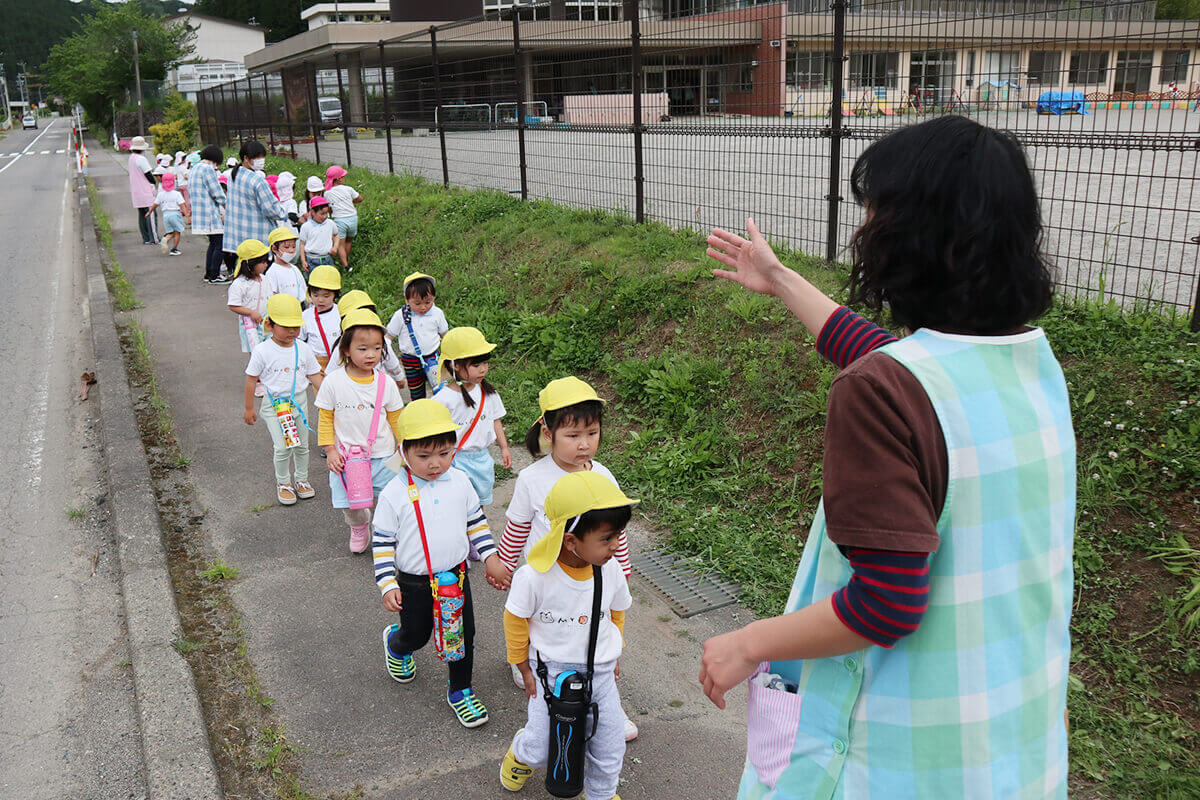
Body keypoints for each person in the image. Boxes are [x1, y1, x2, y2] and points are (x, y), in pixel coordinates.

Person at [698, 116, 1071, 800]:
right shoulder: (1030, 364)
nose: (864, 231)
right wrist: (779, 279)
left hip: (897, 761)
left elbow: (887, 603)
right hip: (1010, 749)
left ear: (913, 236)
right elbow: (904, 366)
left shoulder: (880, 393)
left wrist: (750, 643)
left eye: (874, 214)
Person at [499, 471, 636, 800]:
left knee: (609, 741)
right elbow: (515, 619)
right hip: (551, 672)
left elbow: (617, 612)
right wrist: (521, 664)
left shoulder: (611, 569)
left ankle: (601, 793)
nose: (616, 546)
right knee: (542, 744)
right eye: (606, 539)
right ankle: (521, 754)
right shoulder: (534, 577)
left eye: (618, 535)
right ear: (570, 539)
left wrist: (613, 651)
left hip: (600, 672)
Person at [371, 399, 506, 729]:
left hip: (457, 578)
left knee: (463, 634)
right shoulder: (394, 493)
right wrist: (388, 583)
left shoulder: (460, 481)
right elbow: (383, 542)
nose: (436, 464)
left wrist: (490, 557)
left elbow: (476, 521)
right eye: (424, 456)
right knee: (418, 635)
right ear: (403, 452)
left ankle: (460, 690)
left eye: (444, 453)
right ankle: (397, 642)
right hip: (415, 583)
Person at [314, 308, 405, 553]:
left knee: (390, 499)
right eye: (362, 349)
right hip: (347, 458)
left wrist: (404, 445)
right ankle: (358, 527)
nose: (371, 355)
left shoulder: (385, 382)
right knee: (351, 505)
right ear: (346, 350)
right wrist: (330, 450)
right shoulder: (333, 382)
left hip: (385, 455)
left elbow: (396, 417)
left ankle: (385, 534)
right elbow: (325, 418)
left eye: (377, 348)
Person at [243, 294, 324, 506]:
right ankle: (283, 483)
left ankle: (301, 479)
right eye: (286, 326)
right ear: (269, 324)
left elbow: (315, 376)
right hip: (274, 405)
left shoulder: (303, 349)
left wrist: (330, 398)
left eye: (296, 327)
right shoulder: (262, 351)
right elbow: (251, 380)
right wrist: (249, 408)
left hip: (299, 402)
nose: (292, 331)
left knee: (302, 445)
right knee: (282, 447)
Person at [431, 327, 512, 507]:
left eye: (485, 363)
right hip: (455, 460)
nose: (483, 370)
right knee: (458, 503)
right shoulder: (443, 400)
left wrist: (504, 448)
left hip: (482, 458)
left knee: (479, 503)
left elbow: (496, 420)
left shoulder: (488, 393)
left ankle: (476, 532)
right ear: (455, 365)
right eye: (476, 365)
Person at [222, 140, 285, 271]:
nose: (261, 160)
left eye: (262, 156)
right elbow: (271, 209)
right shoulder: (257, 180)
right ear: (246, 158)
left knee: (245, 274)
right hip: (258, 234)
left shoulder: (235, 174)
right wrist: (284, 214)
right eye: (257, 157)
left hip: (239, 234)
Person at [327, 291, 407, 391]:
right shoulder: (343, 345)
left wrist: (399, 377)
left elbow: (391, 361)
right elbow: (330, 374)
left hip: (380, 389)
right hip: (353, 391)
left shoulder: (380, 340)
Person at [386, 272, 448, 400]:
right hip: (410, 361)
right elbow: (389, 336)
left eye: (428, 302)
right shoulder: (401, 316)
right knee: (416, 393)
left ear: (434, 298)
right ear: (406, 299)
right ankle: (420, 413)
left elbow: (445, 336)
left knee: (441, 391)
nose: (423, 307)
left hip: (432, 359)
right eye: (417, 303)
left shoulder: (437, 314)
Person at [189, 145, 229, 285]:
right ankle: (214, 275)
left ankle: (209, 273)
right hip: (209, 212)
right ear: (216, 160)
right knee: (219, 243)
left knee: (213, 243)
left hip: (200, 212)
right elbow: (217, 192)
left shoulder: (195, 168)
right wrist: (226, 206)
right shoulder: (207, 169)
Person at [226, 239, 272, 354]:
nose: (266, 265)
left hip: (266, 321)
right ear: (250, 263)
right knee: (257, 353)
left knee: (269, 350)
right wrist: (251, 313)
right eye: (262, 262)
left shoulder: (264, 279)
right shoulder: (240, 284)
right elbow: (233, 305)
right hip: (250, 324)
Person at [299, 265, 342, 372]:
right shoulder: (306, 316)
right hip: (316, 362)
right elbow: (299, 340)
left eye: (326, 296)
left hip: (338, 360)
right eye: (315, 295)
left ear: (335, 295)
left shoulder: (340, 313)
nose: (320, 300)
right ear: (309, 293)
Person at [323, 165, 363, 270]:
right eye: (343, 176)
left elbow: (329, 208)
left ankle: (345, 265)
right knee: (349, 241)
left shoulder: (327, 193)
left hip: (340, 220)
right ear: (339, 179)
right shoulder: (348, 189)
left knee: (340, 244)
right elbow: (359, 198)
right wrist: (351, 200)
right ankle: (345, 260)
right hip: (353, 218)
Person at [127, 136, 158, 245]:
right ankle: (153, 238)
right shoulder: (141, 159)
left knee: (141, 214)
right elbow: (148, 174)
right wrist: (154, 183)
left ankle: (146, 238)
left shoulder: (131, 158)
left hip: (136, 191)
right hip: (145, 190)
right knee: (151, 213)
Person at [148, 171, 187, 256]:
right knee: (177, 232)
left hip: (166, 215)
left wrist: (149, 212)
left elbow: (155, 204)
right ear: (173, 182)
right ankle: (174, 249)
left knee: (170, 232)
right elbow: (182, 205)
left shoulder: (161, 194)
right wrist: (187, 216)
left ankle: (165, 239)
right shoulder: (176, 194)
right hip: (175, 214)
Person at [264, 227, 307, 304]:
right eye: (287, 247)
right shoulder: (272, 271)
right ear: (274, 249)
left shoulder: (295, 269)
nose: (291, 250)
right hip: (284, 309)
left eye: (294, 247)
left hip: (300, 306)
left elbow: (303, 288)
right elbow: (271, 295)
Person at [298, 198, 339, 270]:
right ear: (313, 212)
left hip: (327, 258)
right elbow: (302, 244)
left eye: (326, 213)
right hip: (312, 260)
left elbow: (336, 234)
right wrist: (303, 260)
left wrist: (335, 247)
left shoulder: (330, 223)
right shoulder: (306, 226)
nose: (325, 216)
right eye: (322, 214)